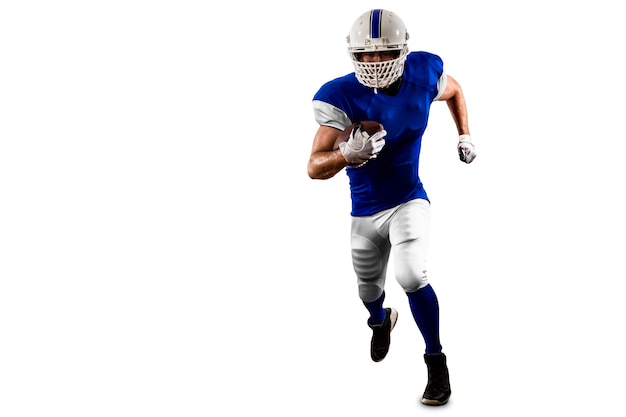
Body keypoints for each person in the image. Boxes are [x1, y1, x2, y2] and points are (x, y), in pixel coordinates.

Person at [307, 9, 476, 406]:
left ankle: (436, 361)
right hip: (365, 210)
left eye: (382, 55)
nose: (374, 63)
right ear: (354, 55)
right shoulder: (341, 96)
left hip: (408, 198)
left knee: (411, 273)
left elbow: (453, 90)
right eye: (365, 55)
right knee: (368, 288)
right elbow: (313, 166)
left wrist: (465, 134)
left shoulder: (422, 73)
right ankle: (380, 321)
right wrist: (346, 155)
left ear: (402, 52)